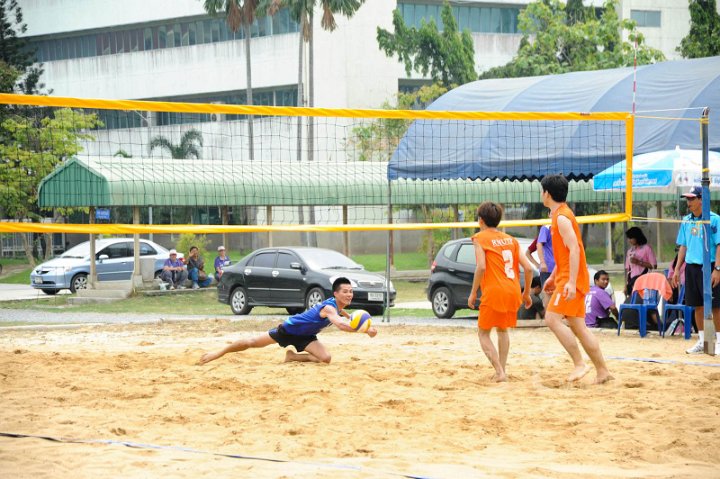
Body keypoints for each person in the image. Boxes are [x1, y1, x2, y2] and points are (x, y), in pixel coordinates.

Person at [198, 277, 378, 365]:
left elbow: (346, 318)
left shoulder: (338, 307)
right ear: (336, 294)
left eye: (351, 291)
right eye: (345, 291)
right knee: (252, 342)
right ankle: (218, 353)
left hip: (307, 336)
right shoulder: (330, 308)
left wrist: (363, 327)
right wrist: (360, 329)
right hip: (289, 329)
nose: (349, 294)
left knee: (325, 359)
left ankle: (292, 357)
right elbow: (340, 324)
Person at [540, 174, 611, 384]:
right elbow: (565, 253)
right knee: (578, 326)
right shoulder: (560, 215)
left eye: (542, 191)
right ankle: (603, 371)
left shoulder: (561, 217)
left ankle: (580, 363)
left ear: (547, 194)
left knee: (551, 319)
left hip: (572, 279)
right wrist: (553, 276)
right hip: (567, 276)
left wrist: (570, 282)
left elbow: (575, 249)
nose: (541, 194)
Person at [468, 202, 533, 382]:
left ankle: (499, 372)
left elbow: (481, 267)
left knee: (483, 333)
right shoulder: (511, 240)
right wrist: (526, 293)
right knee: (503, 330)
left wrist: (473, 292)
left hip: (494, 290)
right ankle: (502, 370)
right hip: (512, 289)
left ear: (480, 220)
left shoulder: (479, 238)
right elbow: (528, 269)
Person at [670, 186, 720, 354]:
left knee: (715, 306)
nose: (688, 202)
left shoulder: (714, 219)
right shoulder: (686, 220)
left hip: (710, 266)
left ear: (701, 199)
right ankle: (704, 341)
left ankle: (718, 342)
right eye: (687, 199)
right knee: (697, 305)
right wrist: (677, 269)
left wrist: (718, 269)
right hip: (691, 268)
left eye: (692, 198)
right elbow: (683, 245)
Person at [624, 226, 657, 299]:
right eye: (628, 238)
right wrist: (626, 285)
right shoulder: (629, 251)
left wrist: (639, 262)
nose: (629, 240)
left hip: (644, 282)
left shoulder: (647, 248)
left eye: (631, 238)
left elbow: (654, 265)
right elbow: (628, 269)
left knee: (642, 301)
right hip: (632, 282)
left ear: (637, 237)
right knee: (633, 301)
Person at [537, 223, 555, 288]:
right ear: (549, 215)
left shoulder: (563, 227)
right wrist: (542, 262)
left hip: (560, 268)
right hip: (548, 269)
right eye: (552, 213)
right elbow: (539, 244)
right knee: (547, 293)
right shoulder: (546, 228)